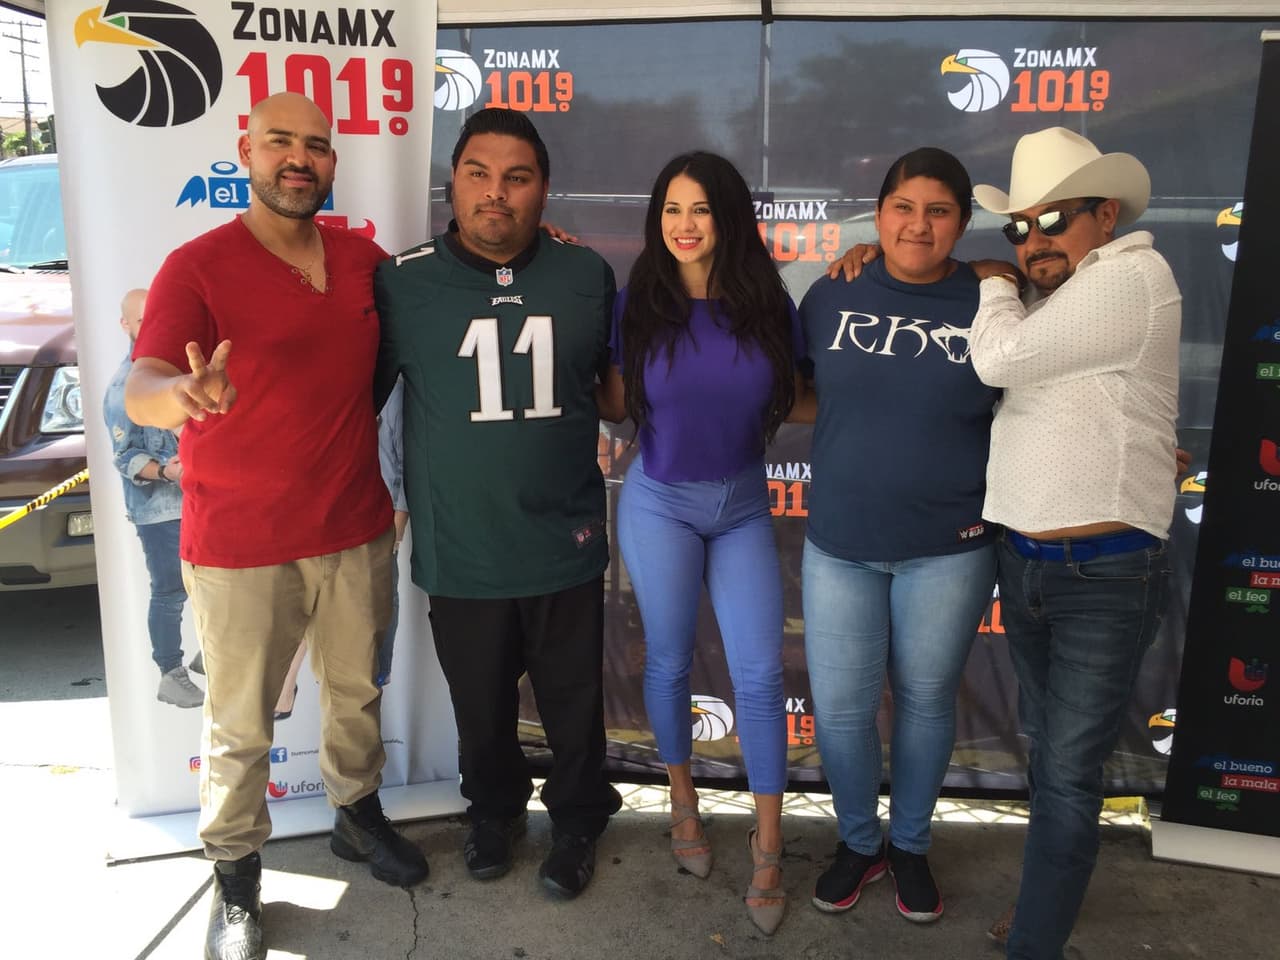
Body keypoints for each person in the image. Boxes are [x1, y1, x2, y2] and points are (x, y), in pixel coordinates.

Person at [124, 92, 428, 960]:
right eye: (280, 143)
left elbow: (448, 290)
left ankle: (357, 818)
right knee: (241, 725)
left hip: (356, 525)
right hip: (241, 545)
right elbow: (146, 373)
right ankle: (237, 881)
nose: (300, 159)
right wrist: (178, 396)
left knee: (355, 694)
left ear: (333, 163)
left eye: (317, 147)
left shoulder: (364, 259)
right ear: (246, 153)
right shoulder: (199, 265)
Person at [373, 108, 622, 901]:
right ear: (454, 181)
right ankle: (494, 812)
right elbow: (351, 401)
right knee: (480, 708)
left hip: (564, 537)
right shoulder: (403, 281)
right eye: (479, 173)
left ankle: (579, 819)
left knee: (573, 699)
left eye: (517, 177)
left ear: (543, 189)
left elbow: (613, 391)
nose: (496, 193)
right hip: (462, 546)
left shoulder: (586, 276)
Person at [966, 126, 1179, 960]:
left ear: (1106, 212)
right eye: (1016, 229)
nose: (1032, 241)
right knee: (1053, 755)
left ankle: (1035, 942)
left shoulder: (1133, 274)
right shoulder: (1064, 297)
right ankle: (1039, 916)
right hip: (1025, 565)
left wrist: (989, 284)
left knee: (1065, 770)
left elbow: (1001, 361)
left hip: (1105, 576)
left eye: (1052, 219)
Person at [796, 148, 1005, 925]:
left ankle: (910, 845)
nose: (918, 224)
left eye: (939, 210)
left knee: (923, 702)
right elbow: (790, 386)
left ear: (962, 221)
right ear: (877, 215)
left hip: (949, 546)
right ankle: (859, 842)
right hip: (842, 543)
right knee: (844, 712)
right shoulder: (829, 290)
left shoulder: (993, 298)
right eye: (903, 208)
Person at [597, 151, 797, 935]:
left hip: (744, 506)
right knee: (672, 660)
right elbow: (614, 401)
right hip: (660, 505)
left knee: (758, 671)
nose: (684, 225)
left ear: (729, 218)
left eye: (702, 210)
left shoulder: (769, 304)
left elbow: (812, 388)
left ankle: (771, 843)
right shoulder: (635, 303)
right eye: (672, 209)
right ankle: (683, 804)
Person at [102, 287, 202, 709]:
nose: (149, 327)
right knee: (169, 592)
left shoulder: (174, 371)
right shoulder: (124, 387)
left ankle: (209, 660)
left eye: (154, 317)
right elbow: (125, 457)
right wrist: (165, 471)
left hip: (198, 501)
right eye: (140, 320)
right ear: (125, 325)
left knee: (215, 584)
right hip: (160, 511)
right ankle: (170, 673)